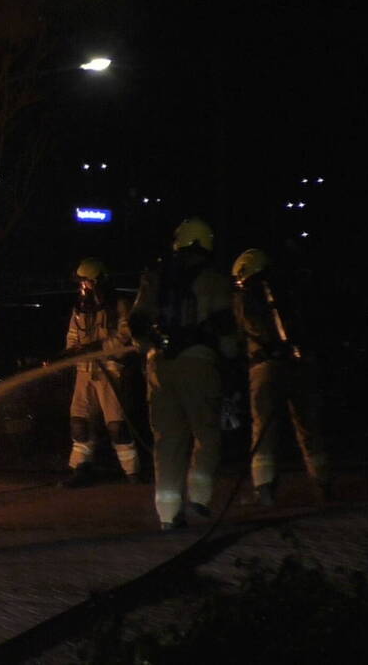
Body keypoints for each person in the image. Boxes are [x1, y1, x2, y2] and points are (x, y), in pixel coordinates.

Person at [129, 218, 238, 530]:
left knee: (167, 440)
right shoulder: (212, 279)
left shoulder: (155, 276)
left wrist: (147, 349)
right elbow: (225, 326)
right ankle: (200, 498)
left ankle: (167, 513)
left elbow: (137, 322)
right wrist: (231, 359)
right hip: (199, 363)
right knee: (207, 432)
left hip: (158, 366)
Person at [231, 248, 330, 505]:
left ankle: (264, 488)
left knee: (263, 428)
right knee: (308, 426)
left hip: (265, 367)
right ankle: (322, 480)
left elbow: (241, 335)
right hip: (300, 364)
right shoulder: (290, 290)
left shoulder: (244, 297)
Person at [60, 257, 141, 487]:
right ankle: (79, 468)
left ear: (97, 282)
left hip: (111, 373)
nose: (82, 287)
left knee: (116, 425)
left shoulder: (118, 305)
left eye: (86, 282)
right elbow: (73, 337)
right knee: (79, 422)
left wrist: (99, 348)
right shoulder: (80, 308)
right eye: (81, 283)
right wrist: (70, 353)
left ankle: (132, 472)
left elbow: (125, 339)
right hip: (84, 372)